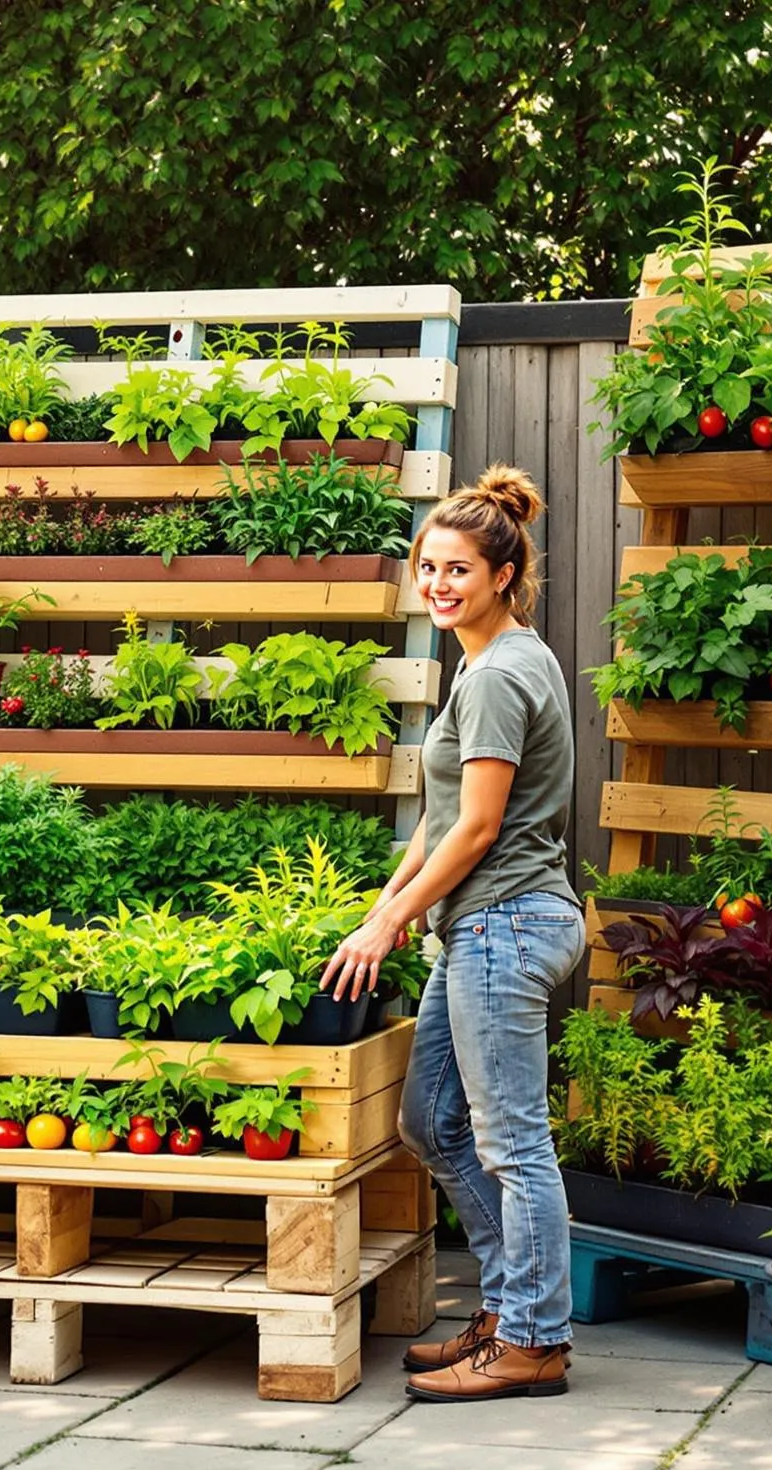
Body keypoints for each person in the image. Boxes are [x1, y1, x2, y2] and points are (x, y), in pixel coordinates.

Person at [318, 464, 583, 1403]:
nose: (437, 584)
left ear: (503, 575)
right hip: (480, 924)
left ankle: (536, 1339)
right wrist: (386, 904)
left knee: (513, 1142)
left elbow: (477, 828)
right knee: (429, 1120)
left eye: (458, 570)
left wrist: (392, 920)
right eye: (428, 568)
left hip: (505, 923)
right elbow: (441, 815)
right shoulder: (493, 659)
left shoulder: (500, 674)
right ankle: (511, 1311)